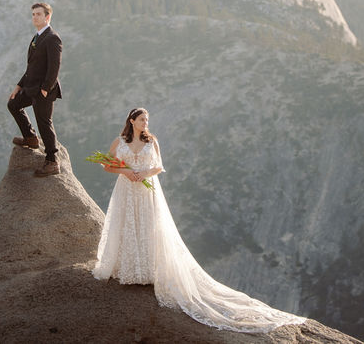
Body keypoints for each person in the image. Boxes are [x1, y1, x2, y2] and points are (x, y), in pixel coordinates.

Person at [93, 108, 306, 334]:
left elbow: (158, 167)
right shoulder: (120, 141)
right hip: (126, 189)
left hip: (147, 190)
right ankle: (127, 268)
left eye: (147, 119)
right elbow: (107, 165)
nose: (146, 123)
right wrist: (126, 172)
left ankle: (146, 270)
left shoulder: (152, 141)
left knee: (148, 227)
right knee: (126, 225)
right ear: (132, 121)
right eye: (142, 119)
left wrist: (143, 174)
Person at [8, 2, 64, 177]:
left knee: (44, 122)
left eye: (38, 14)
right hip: (30, 87)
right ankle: (31, 138)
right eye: (33, 14)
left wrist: (46, 89)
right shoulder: (37, 37)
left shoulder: (52, 37)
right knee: (13, 104)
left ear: (47, 17)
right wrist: (19, 85)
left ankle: (52, 161)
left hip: (43, 90)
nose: (35, 17)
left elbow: (54, 66)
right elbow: (31, 67)